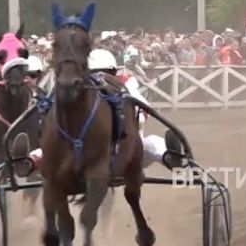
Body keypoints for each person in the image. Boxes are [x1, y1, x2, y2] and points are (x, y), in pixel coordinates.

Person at [25, 49, 184, 172]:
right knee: (153, 144)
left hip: (82, 156)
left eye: (105, 74)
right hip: (126, 154)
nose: (101, 79)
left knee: (53, 149)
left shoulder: (79, 89)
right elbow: (144, 109)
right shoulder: (124, 85)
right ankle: (170, 157)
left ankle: (30, 161)